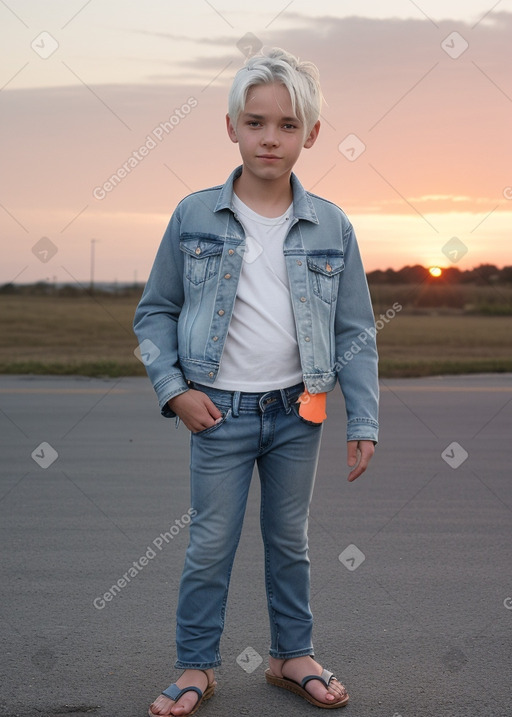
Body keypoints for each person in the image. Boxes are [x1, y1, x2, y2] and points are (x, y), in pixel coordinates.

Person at [134, 47, 379, 716]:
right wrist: (175, 390)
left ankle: (290, 655)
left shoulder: (332, 223)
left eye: (288, 125)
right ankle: (195, 665)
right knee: (210, 542)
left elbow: (355, 330)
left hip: (299, 413)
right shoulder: (193, 216)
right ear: (231, 127)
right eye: (256, 122)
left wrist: (364, 419)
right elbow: (154, 312)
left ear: (312, 134)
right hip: (217, 411)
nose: (271, 138)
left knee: (290, 540)